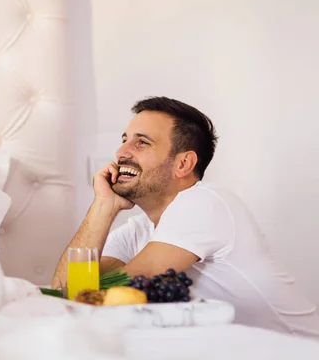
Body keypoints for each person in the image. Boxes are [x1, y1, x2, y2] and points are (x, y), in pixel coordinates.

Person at [52, 96, 319, 338]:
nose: (121, 153)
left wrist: (82, 290)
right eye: (124, 140)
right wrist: (103, 206)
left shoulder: (205, 202)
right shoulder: (139, 230)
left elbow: (100, 297)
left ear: (183, 164)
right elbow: (65, 291)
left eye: (141, 142)